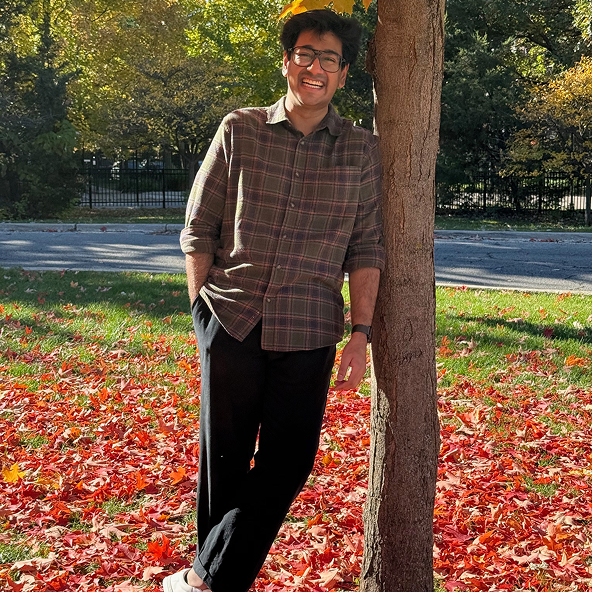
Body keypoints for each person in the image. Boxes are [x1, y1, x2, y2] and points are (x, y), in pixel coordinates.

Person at [163, 9, 385, 592]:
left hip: (309, 329)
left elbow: (366, 248)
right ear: (287, 61)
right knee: (223, 463)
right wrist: (201, 311)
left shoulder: (360, 150)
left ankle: (202, 578)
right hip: (231, 318)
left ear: (343, 74)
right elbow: (199, 228)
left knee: (289, 462)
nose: (316, 68)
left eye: (330, 59)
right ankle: (217, 584)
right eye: (306, 54)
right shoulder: (240, 129)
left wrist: (360, 334)